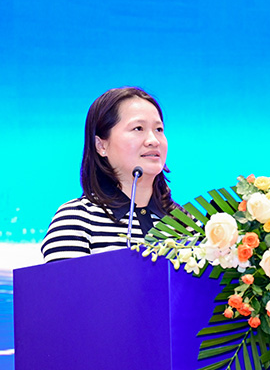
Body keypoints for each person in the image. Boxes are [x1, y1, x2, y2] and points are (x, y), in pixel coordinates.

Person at [41, 87, 178, 262]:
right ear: (101, 146)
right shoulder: (76, 220)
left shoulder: (185, 223)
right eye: (138, 128)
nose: (153, 140)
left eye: (159, 129)